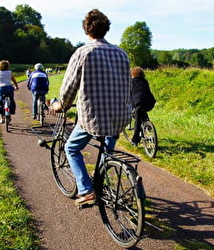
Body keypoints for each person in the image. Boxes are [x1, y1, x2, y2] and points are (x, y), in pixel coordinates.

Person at [52, 9, 131, 206]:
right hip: (120, 114)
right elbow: (128, 85)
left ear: (87, 30)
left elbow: (70, 86)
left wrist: (61, 104)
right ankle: (102, 174)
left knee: (71, 148)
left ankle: (87, 191)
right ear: (107, 29)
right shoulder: (122, 54)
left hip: (93, 116)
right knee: (107, 145)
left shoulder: (83, 52)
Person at [130, 67, 156, 146]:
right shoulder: (145, 81)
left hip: (139, 102)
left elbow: (129, 94)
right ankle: (147, 125)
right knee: (142, 112)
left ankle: (135, 140)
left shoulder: (131, 82)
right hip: (150, 103)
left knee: (137, 121)